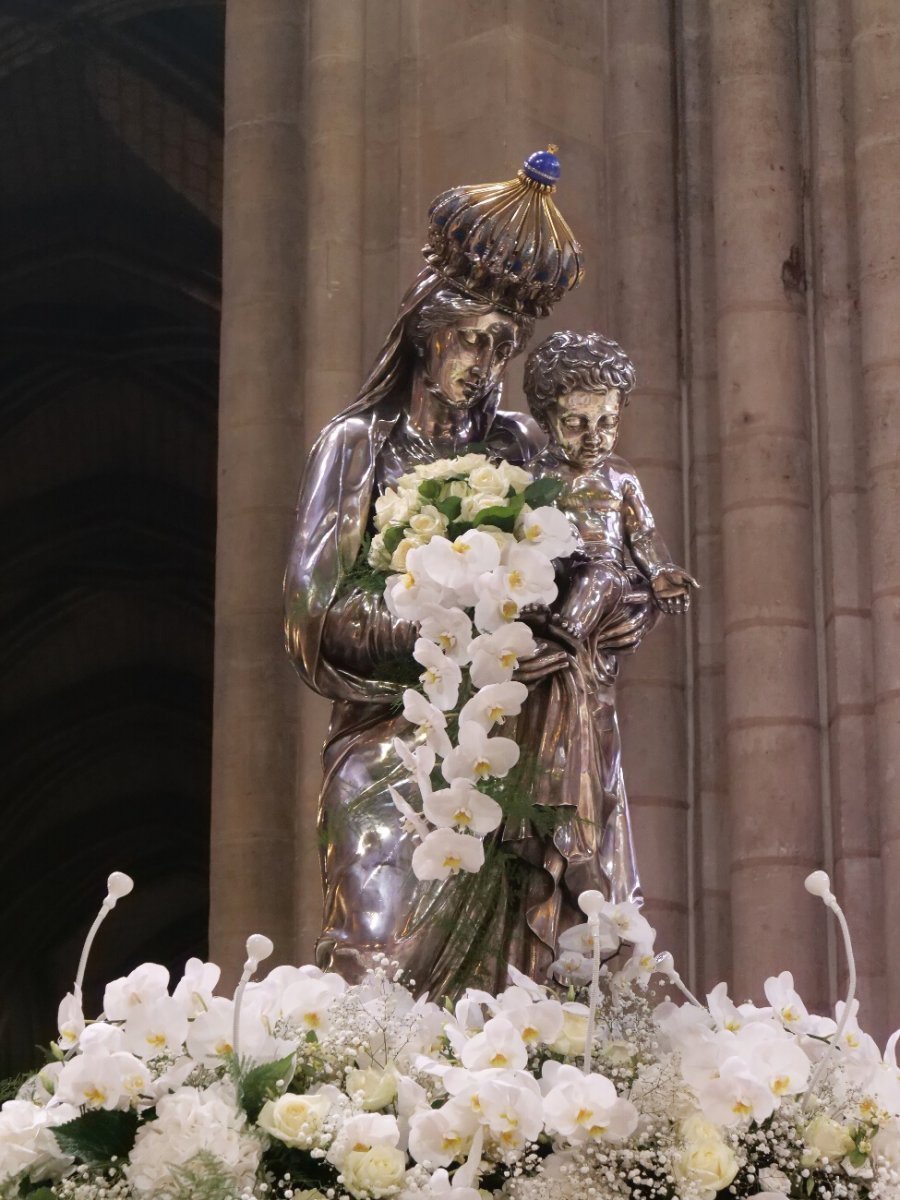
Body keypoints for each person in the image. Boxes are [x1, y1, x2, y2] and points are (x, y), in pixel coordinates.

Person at [284, 151, 592, 995]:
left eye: (504, 348)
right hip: (387, 736)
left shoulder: (521, 448)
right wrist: (441, 622)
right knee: (377, 959)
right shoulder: (358, 447)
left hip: (507, 742)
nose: (487, 365)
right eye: (474, 341)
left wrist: (603, 614)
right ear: (428, 330)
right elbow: (312, 614)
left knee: (511, 984)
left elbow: (579, 570)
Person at [522, 330, 698, 648]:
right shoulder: (531, 475)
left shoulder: (619, 475)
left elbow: (643, 534)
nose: (593, 437)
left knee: (597, 578)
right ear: (544, 420)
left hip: (604, 569)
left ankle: (567, 632)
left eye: (607, 423)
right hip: (552, 567)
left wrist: (660, 570)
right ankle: (538, 617)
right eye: (575, 424)